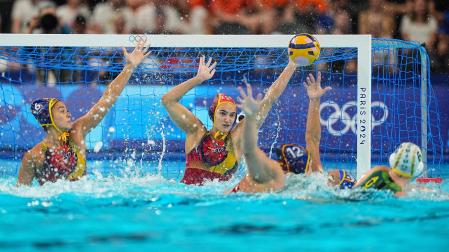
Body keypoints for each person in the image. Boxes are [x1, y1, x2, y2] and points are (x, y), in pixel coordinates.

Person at [17, 40, 151, 186]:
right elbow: (22, 193)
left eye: (67, 110)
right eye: (62, 111)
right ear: (48, 117)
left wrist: (129, 67)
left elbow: (107, 98)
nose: (68, 114)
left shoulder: (77, 131)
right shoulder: (33, 156)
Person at [162, 56, 298, 185]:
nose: (228, 119)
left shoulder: (236, 139)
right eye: (222, 113)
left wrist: (292, 64)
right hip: (188, 199)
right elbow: (168, 100)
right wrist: (198, 79)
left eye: (232, 115)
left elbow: (269, 98)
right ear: (213, 114)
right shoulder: (196, 132)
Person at [231, 72, 334, 193]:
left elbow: (313, 138)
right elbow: (249, 151)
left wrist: (315, 100)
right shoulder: (270, 180)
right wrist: (250, 120)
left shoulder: (307, 175)